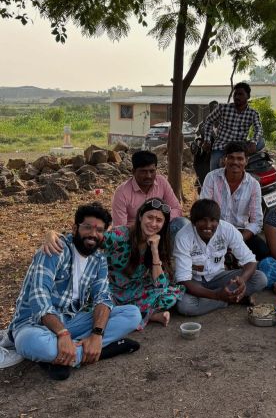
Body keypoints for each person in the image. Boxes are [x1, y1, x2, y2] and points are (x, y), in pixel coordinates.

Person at [7, 203, 141, 381]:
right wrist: (62, 334)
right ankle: (102, 352)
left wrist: (97, 334)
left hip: (71, 321)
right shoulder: (55, 250)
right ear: (75, 228)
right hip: (34, 325)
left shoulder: (98, 259)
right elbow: (39, 296)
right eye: (87, 227)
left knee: (132, 314)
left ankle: (67, 355)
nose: (93, 234)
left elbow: (103, 297)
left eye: (99, 230)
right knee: (29, 342)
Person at [43, 199, 184, 328]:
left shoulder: (158, 242)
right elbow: (88, 237)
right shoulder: (120, 236)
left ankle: (135, 315)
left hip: (135, 290)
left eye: (159, 220)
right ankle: (145, 315)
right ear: (141, 216)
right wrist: (52, 234)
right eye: (150, 217)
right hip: (109, 291)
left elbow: (160, 285)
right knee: (91, 312)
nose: (153, 224)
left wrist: (154, 250)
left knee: (170, 295)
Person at [173, 199, 267, 316]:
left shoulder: (227, 230)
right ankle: (230, 299)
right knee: (185, 305)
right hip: (194, 281)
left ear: (218, 221)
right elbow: (184, 281)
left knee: (260, 278)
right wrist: (217, 295)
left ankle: (223, 297)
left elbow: (250, 261)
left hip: (218, 277)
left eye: (213, 220)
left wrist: (242, 280)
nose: (208, 225)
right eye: (203, 220)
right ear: (193, 222)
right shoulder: (183, 237)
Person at [200, 141, 268, 261]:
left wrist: (237, 239)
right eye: (231, 158)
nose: (235, 162)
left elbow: (257, 222)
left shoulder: (253, 185)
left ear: (246, 161)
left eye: (240, 158)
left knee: (264, 252)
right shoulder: (211, 178)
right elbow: (204, 211)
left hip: (240, 233)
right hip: (214, 231)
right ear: (224, 159)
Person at [111, 150, 188, 236]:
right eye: (143, 171)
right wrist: (145, 227)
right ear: (133, 171)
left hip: (160, 228)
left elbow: (177, 209)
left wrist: (159, 220)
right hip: (135, 234)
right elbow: (120, 227)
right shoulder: (122, 192)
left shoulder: (161, 182)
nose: (148, 176)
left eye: (152, 171)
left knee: (182, 223)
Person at [202, 82, 264, 171]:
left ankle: (239, 157)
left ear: (248, 96)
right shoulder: (223, 108)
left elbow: (258, 129)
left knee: (261, 142)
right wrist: (207, 140)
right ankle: (229, 159)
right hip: (221, 146)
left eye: (240, 94)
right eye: (235, 94)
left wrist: (253, 142)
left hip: (239, 146)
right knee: (214, 172)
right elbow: (208, 121)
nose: (237, 97)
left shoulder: (253, 113)